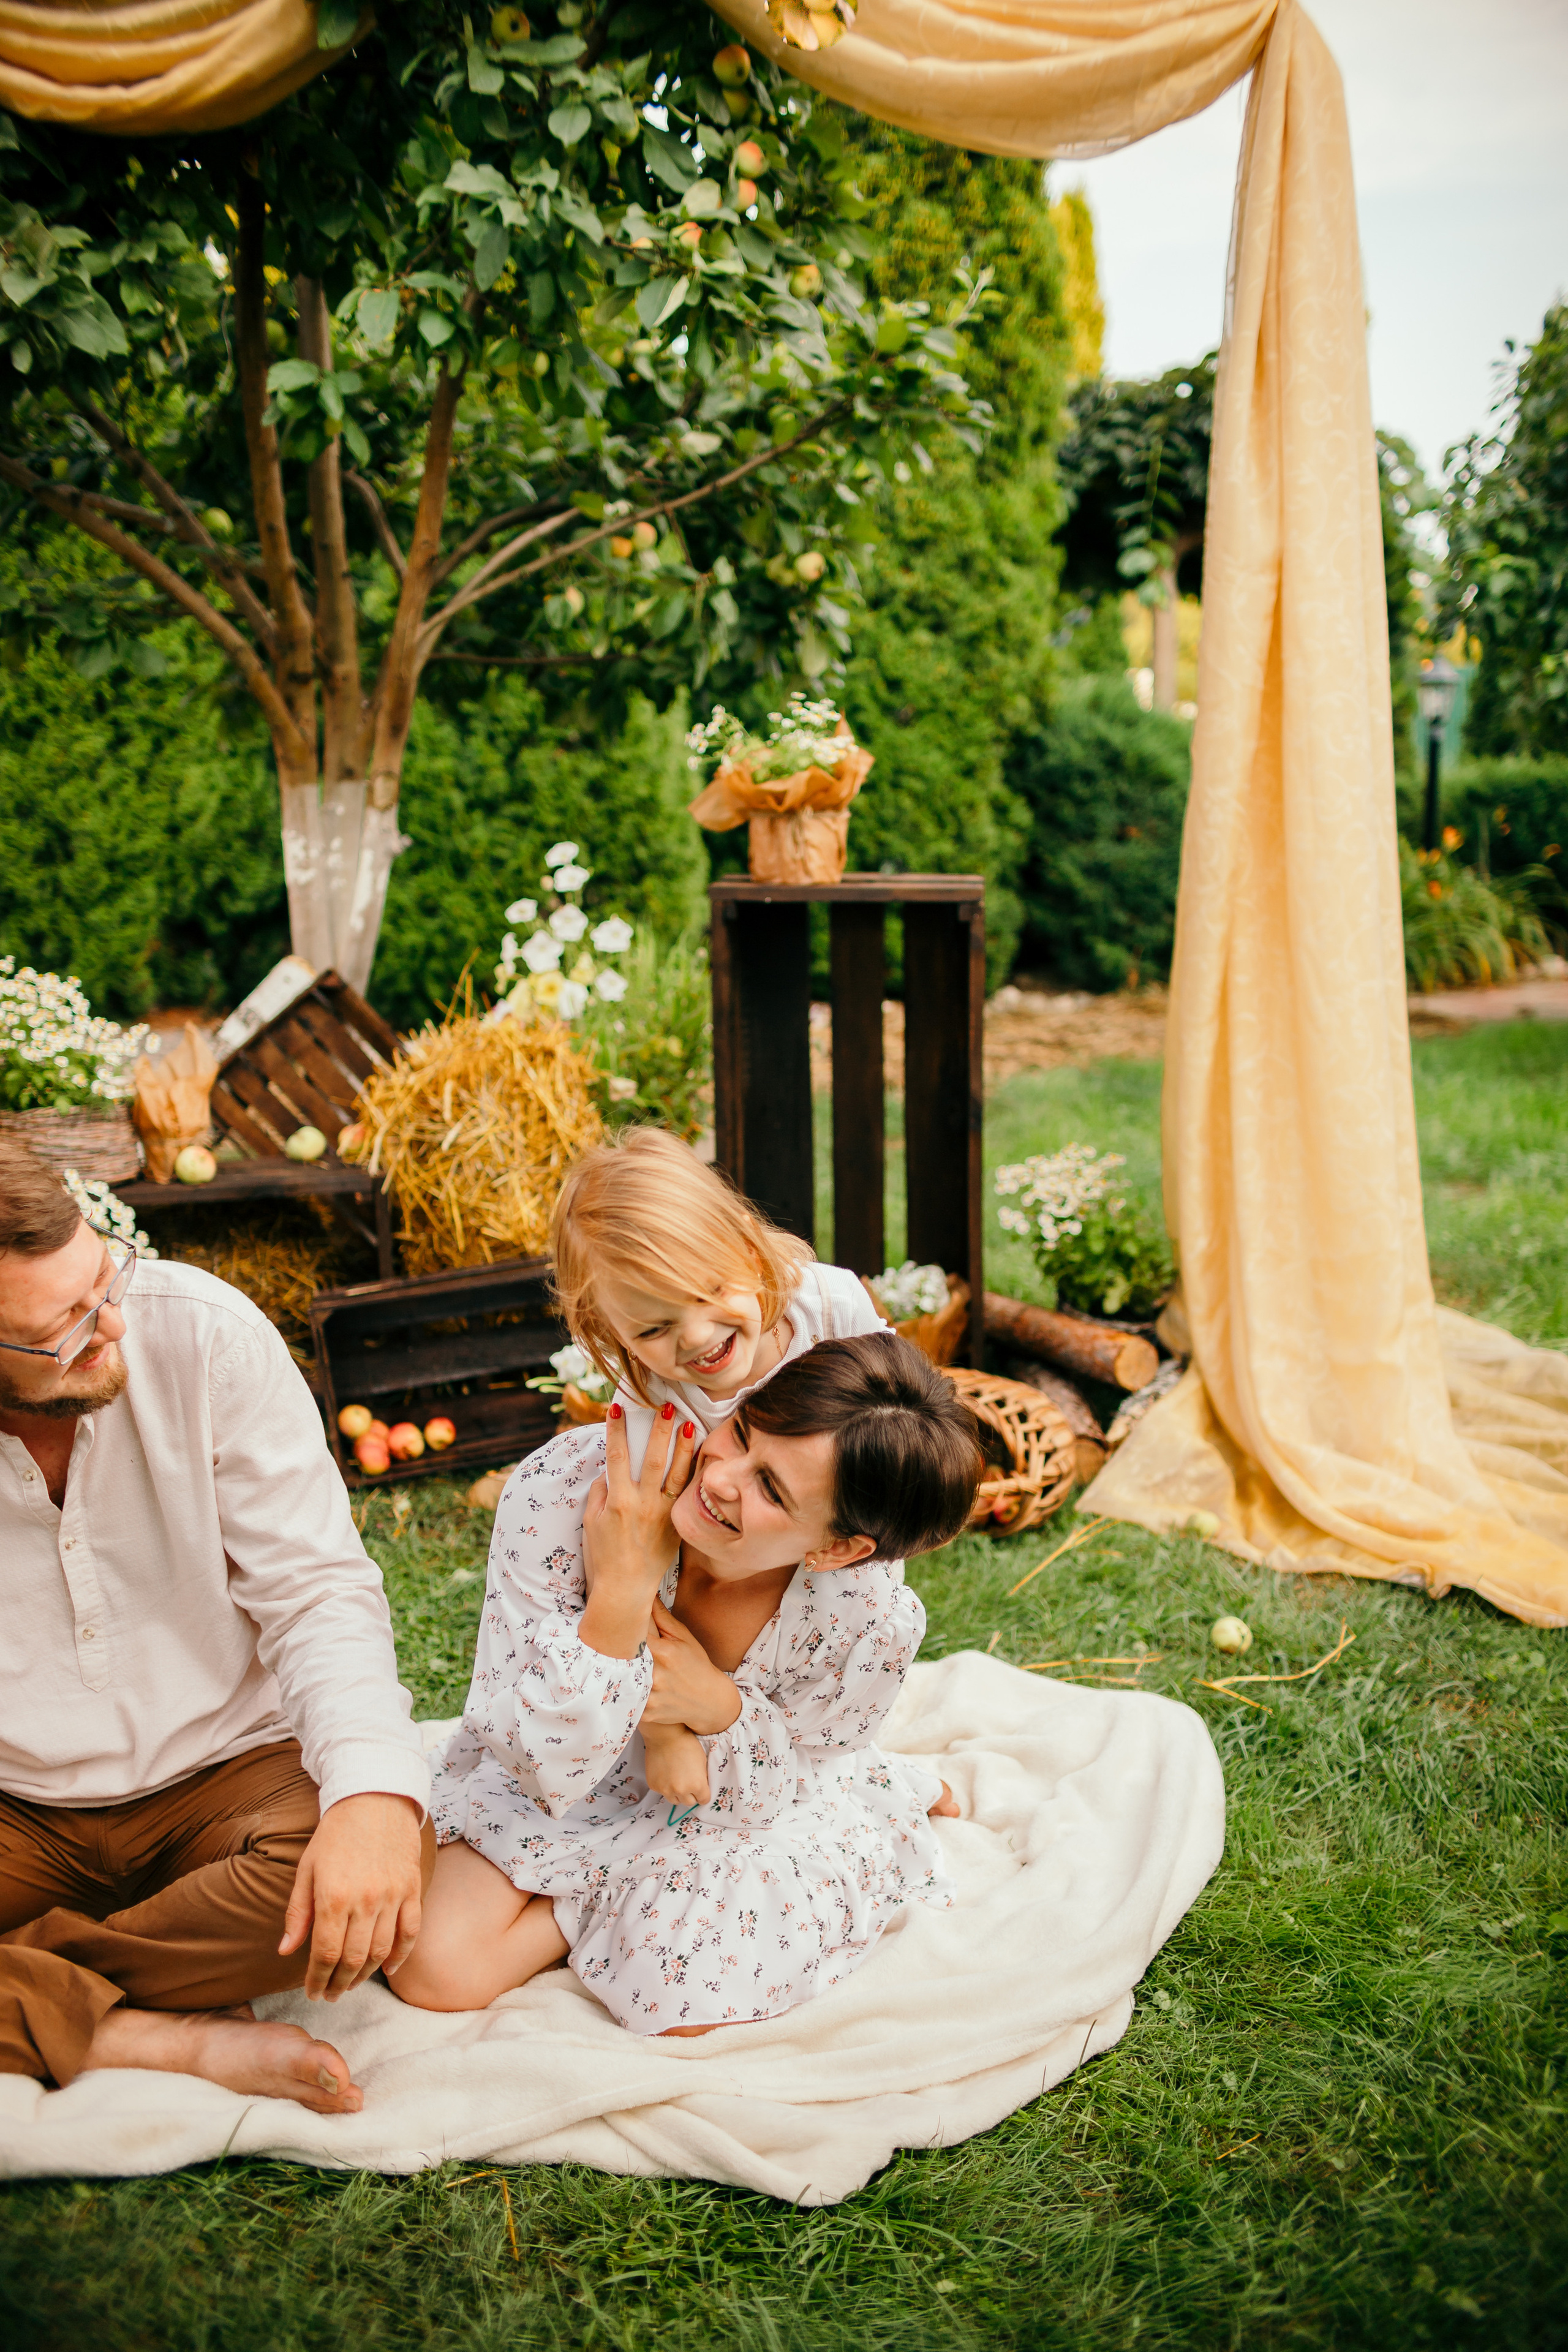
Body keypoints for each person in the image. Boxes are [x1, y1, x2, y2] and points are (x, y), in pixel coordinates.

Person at [0, 1139, 431, 2112]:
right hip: (16, 1804)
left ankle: (37, 1997)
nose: (111, 1324)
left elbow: (316, 1589)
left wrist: (368, 1798)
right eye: (62, 1326)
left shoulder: (203, 1333)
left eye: (105, 1281)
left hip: (229, 1779)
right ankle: (157, 2038)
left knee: (377, 1863)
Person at [391, 1332, 983, 2036]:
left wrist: (718, 1708)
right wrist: (619, 1595)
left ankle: (592, 1900)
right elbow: (528, 1745)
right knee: (431, 1969)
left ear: (836, 1548)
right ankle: (605, 1892)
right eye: (742, 1431)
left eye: (770, 1489)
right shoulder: (566, 1494)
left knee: (687, 1995)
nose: (723, 1476)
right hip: (566, 1777)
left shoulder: (866, 1618)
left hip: (735, 1797)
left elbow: (800, 1770)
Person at [548, 1125, 891, 1808]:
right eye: (651, 1329)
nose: (699, 1336)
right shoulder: (649, 1404)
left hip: (831, 1531)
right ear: (607, 1332)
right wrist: (667, 1730)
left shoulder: (830, 1304)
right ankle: (696, 1715)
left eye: (710, 1289)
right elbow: (632, 1562)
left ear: (742, 1238)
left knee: (842, 1668)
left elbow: (894, 1416)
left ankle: (864, 1767)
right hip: (718, 1558)